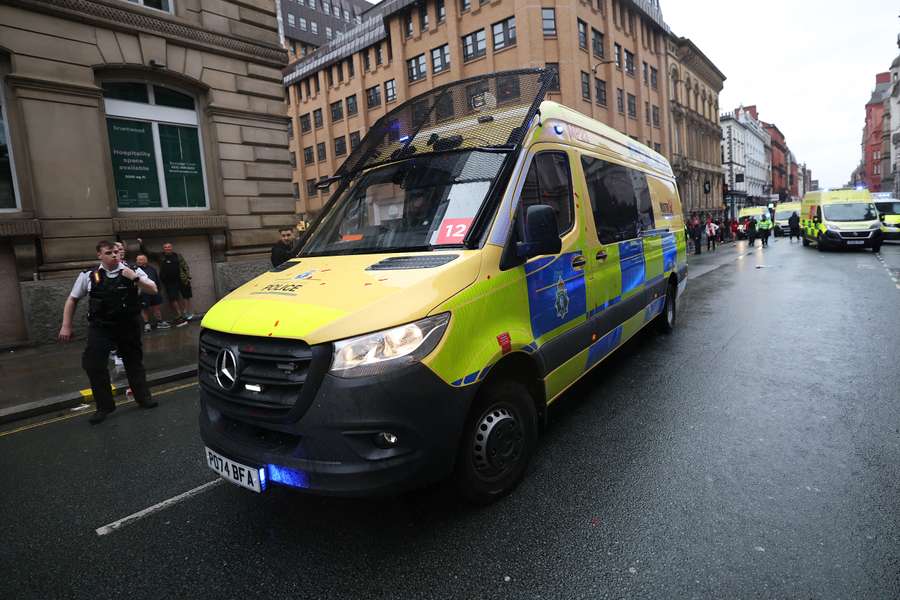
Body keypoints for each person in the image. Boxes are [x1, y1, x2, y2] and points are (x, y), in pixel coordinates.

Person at [58, 240, 159, 424]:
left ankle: (143, 397)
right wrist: (66, 325)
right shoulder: (89, 275)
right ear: (99, 255)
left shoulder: (132, 270)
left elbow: (153, 289)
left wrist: (135, 278)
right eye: (108, 252)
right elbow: (72, 299)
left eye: (115, 252)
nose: (114, 255)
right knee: (93, 364)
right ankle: (104, 406)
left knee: (133, 362)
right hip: (101, 327)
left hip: (127, 325)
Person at [137, 239, 190, 326]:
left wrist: (187, 276)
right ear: (163, 248)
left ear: (171, 247)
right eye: (165, 247)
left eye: (169, 247)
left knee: (186, 295)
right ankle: (179, 314)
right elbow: (148, 253)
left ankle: (185, 313)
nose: (167, 248)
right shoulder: (160, 256)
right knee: (173, 298)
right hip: (169, 282)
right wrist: (141, 243)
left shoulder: (177, 255)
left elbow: (185, 266)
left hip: (181, 279)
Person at [136, 253, 169, 331]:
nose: (139, 261)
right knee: (144, 309)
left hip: (154, 292)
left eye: (141, 259)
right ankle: (147, 324)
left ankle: (159, 322)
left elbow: (157, 279)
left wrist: (158, 290)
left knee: (156, 307)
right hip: (143, 293)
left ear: (146, 260)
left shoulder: (152, 268)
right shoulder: (136, 270)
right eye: (138, 260)